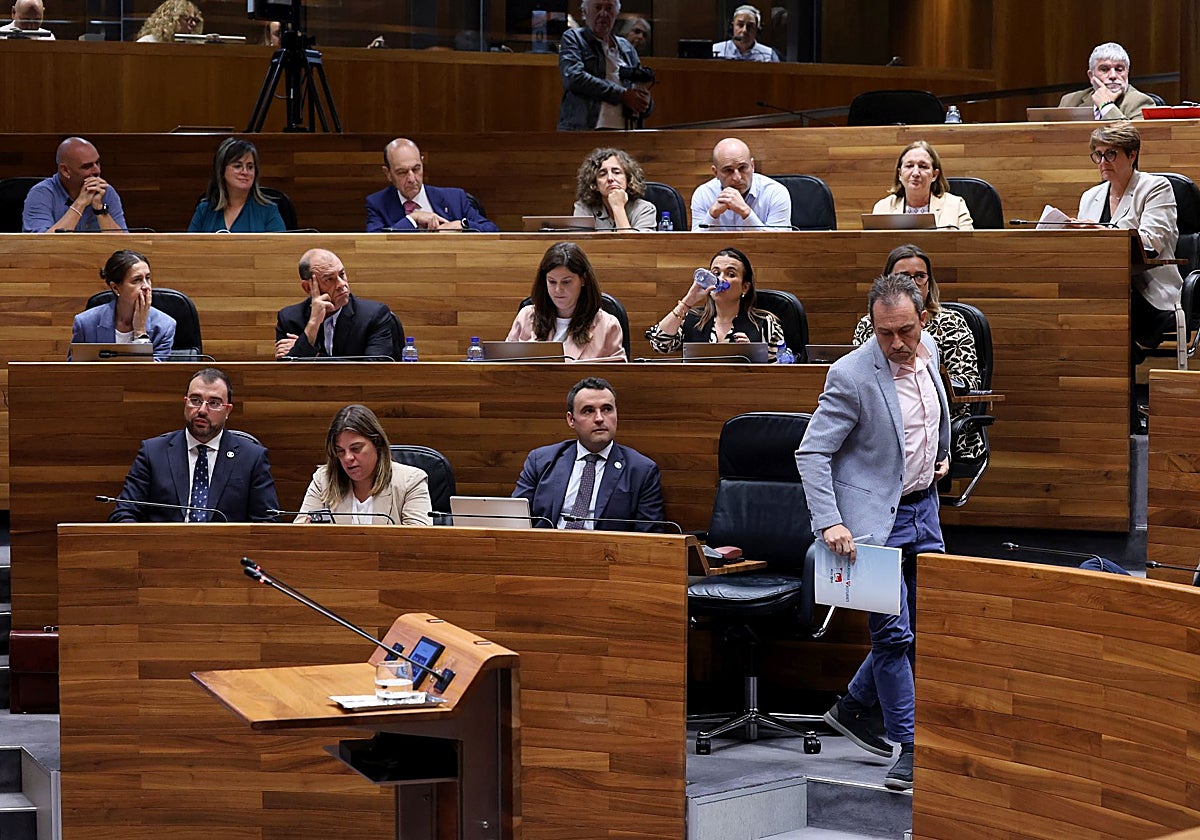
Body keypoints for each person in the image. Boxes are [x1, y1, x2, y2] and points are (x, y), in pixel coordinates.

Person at [796, 273, 951, 792]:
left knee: (924, 629)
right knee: (891, 636)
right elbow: (811, 452)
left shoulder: (926, 349)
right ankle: (908, 748)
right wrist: (830, 521)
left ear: (922, 320)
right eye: (885, 334)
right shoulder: (850, 375)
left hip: (923, 509)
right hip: (866, 527)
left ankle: (854, 705)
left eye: (905, 330)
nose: (897, 344)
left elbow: (932, 413)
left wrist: (941, 454)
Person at [851, 245, 983, 461]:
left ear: (929, 283)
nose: (912, 284)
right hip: (880, 420)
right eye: (903, 277)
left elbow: (969, 381)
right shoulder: (868, 325)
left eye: (920, 276)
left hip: (939, 418)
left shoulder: (951, 323)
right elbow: (859, 376)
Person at [109, 367, 280, 522]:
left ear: (227, 411)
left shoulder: (251, 458)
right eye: (195, 400)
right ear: (185, 402)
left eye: (214, 403)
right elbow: (123, 513)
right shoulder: (153, 453)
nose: (202, 411)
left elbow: (267, 522)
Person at [1072, 122, 1181, 357]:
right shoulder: (1090, 197)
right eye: (1098, 155)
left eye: (1110, 154)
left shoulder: (1155, 188)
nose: (1103, 162)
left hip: (1147, 290)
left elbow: (1151, 243)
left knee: (1102, 293)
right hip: (1102, 284)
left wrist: (1100, 231)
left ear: (1132, 155)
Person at [514, 376, 665, 531]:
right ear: (571, 419)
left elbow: (650, 537)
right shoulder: (540, 461)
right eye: (588, 411)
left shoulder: (642, 470)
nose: (599, 418)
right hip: (546, 549)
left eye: (607, 409)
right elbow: (514, 520)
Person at [296, 404, 432, 526]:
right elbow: (299, 536)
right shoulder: (323, 480)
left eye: (356, 448)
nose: (348, 457)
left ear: (377, 443)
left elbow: (419, 544)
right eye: (340, 451)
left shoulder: (411, 482)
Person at [646, 246, 784, 360]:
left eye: (730, 274)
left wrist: (753, 355)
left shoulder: (764, 323)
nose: (720, 279)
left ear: (745, 287)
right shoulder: (692, 318)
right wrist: (687, 302)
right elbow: (659, 344)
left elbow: (780, 372)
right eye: (716, 273)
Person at [274, 248, 404, 360]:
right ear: (308, 287)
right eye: (329, 279)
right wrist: (313, 323)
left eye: (342, 274)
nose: (342, 284)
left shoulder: (374, 315)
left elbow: (373, 370)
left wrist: (313, 355)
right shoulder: (290, 318)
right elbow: (288, 372)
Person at [507, 241, 626, 361]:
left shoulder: (607, 325)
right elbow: (503, 366)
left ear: (583, 280)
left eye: (566, 282)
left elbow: (619, 375)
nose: (558, 290)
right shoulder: (525, 317)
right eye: (552, 282)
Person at [365, 137, 498, 232]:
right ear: (387, 173)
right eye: (402, 172)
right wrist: (412, 218)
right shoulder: (378, 203)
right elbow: (373, 242)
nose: (412, 178)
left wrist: (461, 225)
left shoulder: (455, 198)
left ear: (422, 163)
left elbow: (492, 230)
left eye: (416, 169)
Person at [557, 0, 651, 131]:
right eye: (598, 7)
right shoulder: (574, 37)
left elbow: (638, 87)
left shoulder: (626, 47)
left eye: (609, 8)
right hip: (586, 129)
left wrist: (645, 103)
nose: (603, 13)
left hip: (626, 131)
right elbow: (574, 78)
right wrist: (622, 95)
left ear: (616, 13)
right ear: (585, 12)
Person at [70, 249, 176, 361]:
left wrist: (140, 332)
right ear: (116, 288)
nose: (146, 286)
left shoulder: (165, 326)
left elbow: (152, 375)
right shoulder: (86, 323)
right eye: (137, 280)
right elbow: (74, 373)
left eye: (148, 278)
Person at [22, 136, 128, 233]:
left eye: (97, 163)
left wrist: (99, 209)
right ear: (65, 171)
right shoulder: (41, 194)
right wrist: (80, 204)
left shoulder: (106, 192)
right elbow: (42, 245)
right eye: (87, 166)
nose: (97, 171)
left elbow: (123, 245)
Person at [690, 137, 791, 231]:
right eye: (728, 170)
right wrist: (712, 215)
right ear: (716, 172)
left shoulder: (776, 192)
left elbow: (779, 244)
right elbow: (694, 245)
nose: (737, 178)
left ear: (752, 166)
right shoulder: (703, 194)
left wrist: (746, 212)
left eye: (742, 168)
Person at [188, 137, 286, 233]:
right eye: (238, 166)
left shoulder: (269, 211)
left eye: (250, 167)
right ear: (221, 170)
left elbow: (281, 248)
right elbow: (189, 247)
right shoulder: (204, 210)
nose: (245, 172)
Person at [871, 140, 974, 230]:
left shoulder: (955, 205)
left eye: (923, 166)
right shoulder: (882, 208)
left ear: (934, 175)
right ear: (900, 174)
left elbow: (969, 246)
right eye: (909, 166)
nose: (915, 173)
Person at [1058, 42, 1155, 121]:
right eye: (1104, 69)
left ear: (1127, 73)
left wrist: (1106, 106)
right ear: (1091, 76)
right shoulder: (1070, 101)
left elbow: (1131, 140)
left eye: (1119, 69)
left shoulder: (1141, 102)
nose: (1113, 76)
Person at [572, 147, 657, 231]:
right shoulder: (584, 209)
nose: (610, 178)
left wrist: (618, 207)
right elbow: (581, 243)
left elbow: (632, 244)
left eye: (616, 172)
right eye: (602, 174)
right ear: (594, 184)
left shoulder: (645, 209)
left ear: (628, 179)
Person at [712, 5, 779, 62]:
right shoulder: (716, 50)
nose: (744, 30)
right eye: (740, 25)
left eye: (750, 26)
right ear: (732, 27)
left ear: (757, 29)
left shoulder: (769, 55)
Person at [135, 0, 201, 42]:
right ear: (171, 20)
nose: (194, 24)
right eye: (187, 19)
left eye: (195, 20)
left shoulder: (192, 44)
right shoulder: (147, 42)